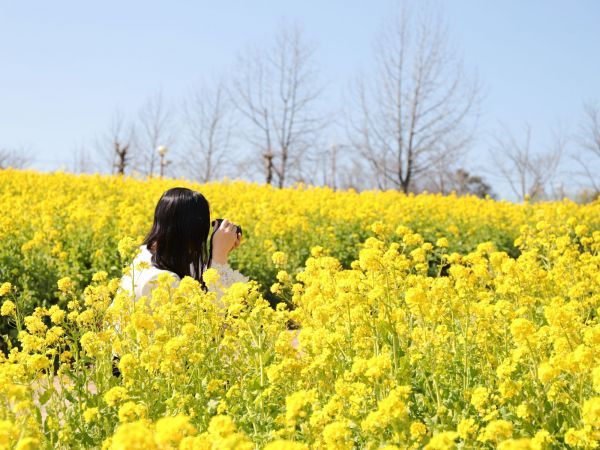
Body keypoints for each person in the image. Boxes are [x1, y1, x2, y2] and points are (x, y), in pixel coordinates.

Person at [119, 186, 248, 305]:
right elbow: (212, 316)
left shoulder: (144, 254)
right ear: (194, 231)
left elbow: (199, 283)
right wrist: (219, 256)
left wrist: (220, 252)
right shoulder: (160, 279)